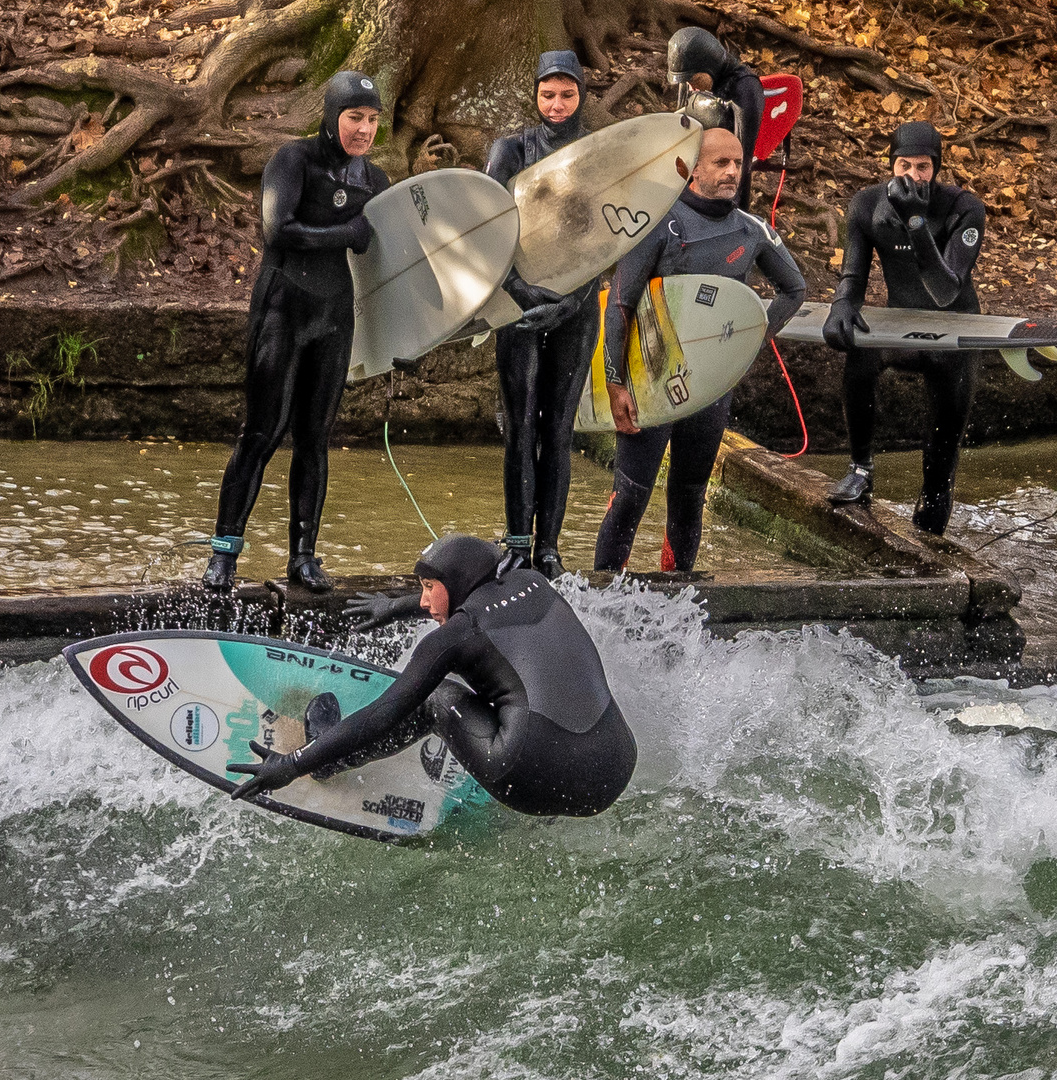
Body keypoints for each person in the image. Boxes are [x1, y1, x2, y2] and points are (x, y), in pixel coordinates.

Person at [228, 534, 636, 818]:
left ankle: (326, 765)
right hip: (615, 769)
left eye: (427, 587)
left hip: (527, 781)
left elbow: (384, 714)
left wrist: (295, 764)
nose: (423, 600)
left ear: (456, 584)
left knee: (435, 697)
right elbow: (480, 600)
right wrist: (397, 607)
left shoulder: (457, 636)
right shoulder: (535, 583)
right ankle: (556, 775)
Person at [202, 72, 390, 593]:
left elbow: (398, 264)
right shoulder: (293, 160)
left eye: (373, 120)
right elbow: (276, 229)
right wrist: (345, 233)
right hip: (282, 309)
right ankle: (223, 555)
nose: (364, 129)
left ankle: (303, 557)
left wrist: (408, 336)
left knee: (315, 439)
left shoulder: (375, 183)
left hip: (334, 317)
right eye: (355, 117)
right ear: (331, 116)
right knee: (261, 433)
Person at [594, 127, 805, 573]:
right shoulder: (658, 223)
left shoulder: (752, 231)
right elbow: (620, 305)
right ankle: (602, 594)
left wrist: (750, 341)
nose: (733, 172)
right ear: (690, 168)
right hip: (651, 380)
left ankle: (678, 591)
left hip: (710, 385)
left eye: (738, 163)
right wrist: (615, 383)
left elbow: (794, 288)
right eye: (720, 163)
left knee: (689, 493)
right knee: (631, 493)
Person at [821, 121, 987, 535]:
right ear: (891, 165)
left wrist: (916, 224)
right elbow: (854, 274)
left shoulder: (964, 208)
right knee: (859, 354)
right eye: (905, 165)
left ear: (937, 168)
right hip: (902, 332)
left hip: (955, 337)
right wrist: (842, 303)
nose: (914, 176)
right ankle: (861, 468)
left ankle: (930, 550)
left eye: (924, 167)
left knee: (938, 472)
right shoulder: (866, 205)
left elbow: (947, 289)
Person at [482, 51, 602, 578]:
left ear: (581, 95)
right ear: (534, 94)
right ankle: (516, 542)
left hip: (576, 305)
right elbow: (486, 225)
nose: (556, 104)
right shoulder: (510, 150)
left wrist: (573, 299)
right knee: (521, 426)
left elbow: (611, 236)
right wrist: (519, 290)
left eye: (567, 94)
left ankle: (548, 547)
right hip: (518, 304)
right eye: (548, 94)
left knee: (557, 428)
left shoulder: (600, 154)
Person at [667, 26, 764, 210]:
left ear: (708, 67)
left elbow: (742, 157)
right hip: (694, 177)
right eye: (686, 80)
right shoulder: (693, 79)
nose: (690, 85)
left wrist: (730, 211)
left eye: (694, 78)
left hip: (721, 186)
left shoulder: (744, 88)